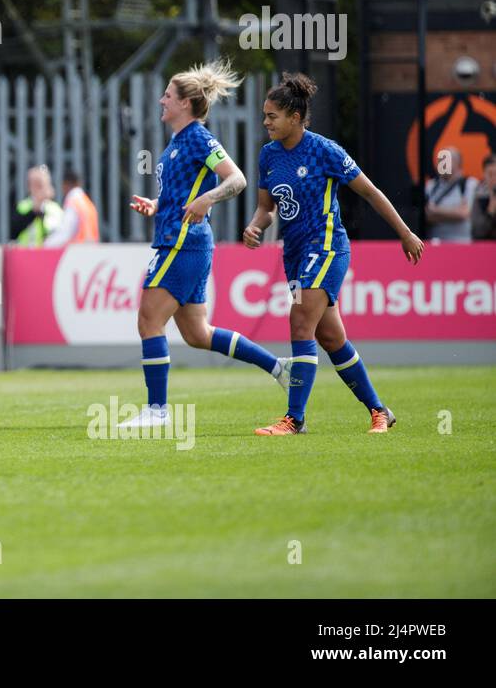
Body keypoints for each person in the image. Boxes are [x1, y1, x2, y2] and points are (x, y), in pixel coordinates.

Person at [245, 73, 424, 436]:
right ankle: (379, 411)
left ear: (294, 118)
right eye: (265, 115)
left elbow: (370, 192)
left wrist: (404, 233)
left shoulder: (325, 150)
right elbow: (266, 207)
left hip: (326, 247)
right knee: (331, 339)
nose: (265, 122)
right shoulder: (268, 155)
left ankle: (295, 419)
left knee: (299, 324)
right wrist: (255, 226)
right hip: (294, 255)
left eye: (272, 116)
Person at [124, 60, 293, 428]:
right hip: (182, 238)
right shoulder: (178, 142)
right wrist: (157, 206)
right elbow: (185, 192)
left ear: (185, 103)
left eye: (168, 95)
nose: (161, 100)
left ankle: (157, 410)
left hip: (182, 243)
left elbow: (237, 180)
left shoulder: (199, 137)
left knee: (148, 320)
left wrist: (208, 200)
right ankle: (279, 367)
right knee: (198, 335)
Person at [424, 147, 477, 243]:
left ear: (458, 162)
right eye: (440, 160)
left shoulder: (470, 184)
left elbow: (463, 214)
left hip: (462, 243)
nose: (442, 164)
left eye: (446, 160)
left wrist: (435, 210)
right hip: (436, 243)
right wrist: (454, 212)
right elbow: (427, 216)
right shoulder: (430, 186)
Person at [43, 167, 100, 247]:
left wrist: (45, 245)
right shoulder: (88, 203)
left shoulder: (73, 203)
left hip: (76, 253)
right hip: (90, 251)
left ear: (65, 184)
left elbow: (65, 232)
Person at [11, 165, 64, 246]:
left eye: (41, 185)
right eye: (35, 184)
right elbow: (14, 232)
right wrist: (34, 212)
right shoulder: (23, 207)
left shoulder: (55, 209)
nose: (39, 189)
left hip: (50, 255)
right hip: (26, 254)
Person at [471, 154, 496, 241]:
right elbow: (478, 232)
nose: (494, 178)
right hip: (485, 248)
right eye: (490, 174)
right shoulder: (479, 197)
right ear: (484, 174)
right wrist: (490, 210)